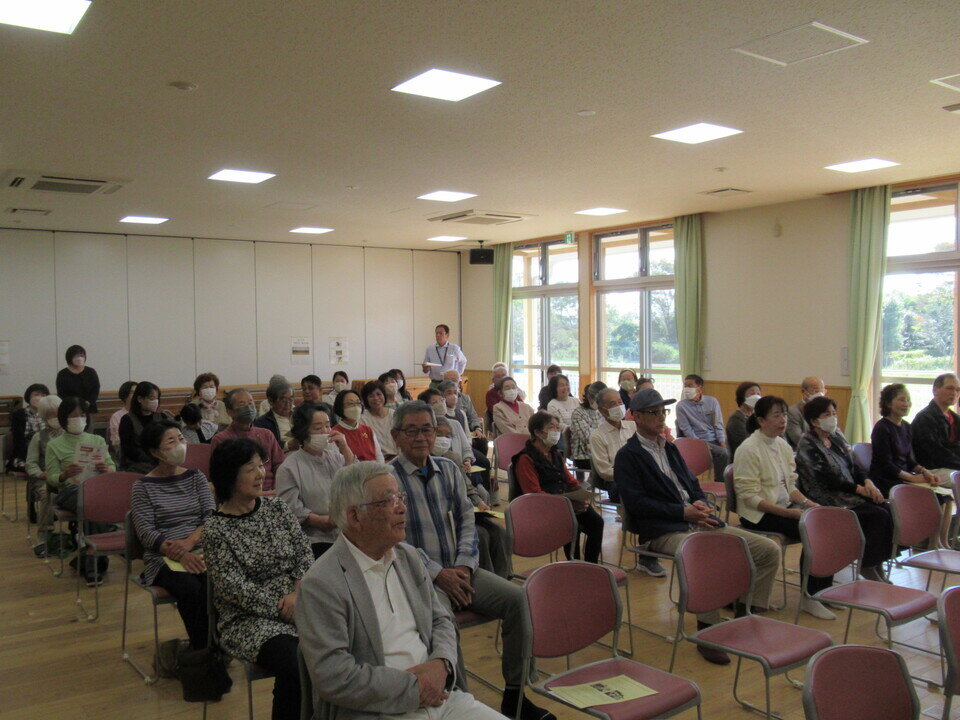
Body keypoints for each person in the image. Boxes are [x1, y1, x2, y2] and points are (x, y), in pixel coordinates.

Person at [296, 461, 508, 720]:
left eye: (400, 497)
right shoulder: (322, 583)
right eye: (388, 501)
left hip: (440, 697)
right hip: (378, 709)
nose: (402, 508)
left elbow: (441, 619)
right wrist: (416, 687)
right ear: (355, 516)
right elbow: (335, 676)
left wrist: (441, 664)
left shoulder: (408, 557)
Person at [388, 402, 555, 720]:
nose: (421, 437)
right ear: (396, 436)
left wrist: (464, 566)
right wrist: (439, 574)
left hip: (461, 570)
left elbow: (467, 520)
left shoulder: (448, 469)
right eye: (412, 430)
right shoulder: (388, 479)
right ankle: (463, 703)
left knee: (518, 599)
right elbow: (396, 542)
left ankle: (515, 695)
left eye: (427, 429)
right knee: (444, 625)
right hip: (421, 579)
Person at [614, 388, 780, 664]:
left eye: (663, 412)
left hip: (697, 520)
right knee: (704, 554)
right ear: (637, 417)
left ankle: (746, 613)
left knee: (767, 550)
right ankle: (708, 630)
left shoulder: (669, 447)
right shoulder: (628, 455)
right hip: (664, 530)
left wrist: (700, 502)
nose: (661, 417)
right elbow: (636, 504)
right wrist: (682, 512)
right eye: (654, 412)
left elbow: (691, 483)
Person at [205, 438, 313, 720]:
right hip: (249, 621)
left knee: (340, 649)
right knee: (299, 663)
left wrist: (299, 594)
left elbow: (304, 553)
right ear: (229, 476)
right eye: (250, 469)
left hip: (299, 603)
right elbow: (235, 588)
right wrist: (285, 607)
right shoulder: (216, 528)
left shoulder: (277, 508)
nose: (261, 474)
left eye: (261, 466)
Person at [733, 396, 834, 619]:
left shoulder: (782, 445)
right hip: (759, 514)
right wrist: (790, 513)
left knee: (825, 521)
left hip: (785, 507)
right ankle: (810, 596)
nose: (783, 420)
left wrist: (810, 504)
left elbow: (790, 486)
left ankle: (824, 591)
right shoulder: (748, 449)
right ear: (761, 420)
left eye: (785, 414)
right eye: (776, 415)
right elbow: (748, 497)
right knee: (812, 530)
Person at [130, 420, 215, 658]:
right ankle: (204, 654)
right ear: (155, 452)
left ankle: (210, 648)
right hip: (162, 558)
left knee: (217, 582)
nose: (180, 444)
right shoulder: (142, 487)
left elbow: (210, 517)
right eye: (171, 441)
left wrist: (190, 543)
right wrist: (180, 553)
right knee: (191, 589)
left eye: (181, 438)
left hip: (199, 548)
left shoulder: (196, 477)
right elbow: (146, 532)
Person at [795, 396, 894, 583]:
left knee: (886, 508)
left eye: (834, 413)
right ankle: (867, 565)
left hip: (849, 492)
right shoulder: (807, 443)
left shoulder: (836, 437)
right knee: (876, 515)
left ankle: (876, 563)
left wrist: (868, 483)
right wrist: (859, 490)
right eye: (827, 414)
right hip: (828, 497)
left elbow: (855, 465)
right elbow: (828, 479)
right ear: (814, 420)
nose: (833, 418)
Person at [512, 411, 605, 564]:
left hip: (564, 501)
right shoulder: (525, 458)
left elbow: (570, 481)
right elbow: (534, 493)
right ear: (537, 432)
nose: (556, 431)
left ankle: (591, 565)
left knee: (597, 522)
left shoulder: (555, 454)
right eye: (551, 427)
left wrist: (582, 496)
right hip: (543, 505)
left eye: (557, 427)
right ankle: (574, 565)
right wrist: (565, 504)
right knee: (572, 524)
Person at [871, 383, 954, 548]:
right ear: (888, 403)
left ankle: (942, 542)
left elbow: (909, 460)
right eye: (901, 400)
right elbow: (885, 464)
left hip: (904, 477)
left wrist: (925, 472)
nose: (906, 404)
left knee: (947, 498)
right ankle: (932, 544)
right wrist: (912, 478)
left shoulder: (906, 427)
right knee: (935, 498)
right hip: (886, 480)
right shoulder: (882, 428)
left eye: (908, 400)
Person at [45, 396, 115, 585]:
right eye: (73, 415)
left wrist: (107, 469)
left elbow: (112, 466)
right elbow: (51, 478)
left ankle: (88, 556)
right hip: (70, 490)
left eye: (82, 415)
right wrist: (64, 475)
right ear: (63, 418)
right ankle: (95, 558)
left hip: (95, 488)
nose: (79, 419)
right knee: (90, 500)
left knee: (93, 501)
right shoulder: (54, 445)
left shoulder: (97, 439)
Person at [275, 402, 354, 558]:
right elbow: (290, 509)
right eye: (318, 428)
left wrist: (345, 448)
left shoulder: (336, 457)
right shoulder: (289, 467)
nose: (325, 432)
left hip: (346, 532)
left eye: (328, 426)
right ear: (303, 432)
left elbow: (354, 483)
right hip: (313, 540)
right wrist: (319, 520)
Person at [435, 418, 508, 578]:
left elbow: (468, 486)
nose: (443, 440)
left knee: (499, 531)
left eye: (447, 436)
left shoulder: (453, 458)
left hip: (468, 509)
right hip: (449, 515)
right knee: (481, 535)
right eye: (439, 435)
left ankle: (504, 576)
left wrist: (479, 502)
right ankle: (487, 579)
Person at [210, 389, 286, 492]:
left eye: (250, 403)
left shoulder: (267, 434)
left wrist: (276, 488)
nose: (248, 408)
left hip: (271, 492)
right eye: (242, 404)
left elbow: (280, 464)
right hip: (239, 495)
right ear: (230, 412)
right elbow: (220, 476)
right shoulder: (221, 440)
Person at [25, 395, 62, 555]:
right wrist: (41, 474)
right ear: (44, 417)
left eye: (57, 414)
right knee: (48, 494)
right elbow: (30, 464)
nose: (54, 418)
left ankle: (85, 535)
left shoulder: (71, 434)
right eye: (50, 415)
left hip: (68, 478)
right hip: (45, 479)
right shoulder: (38, 437)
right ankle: (44, 538)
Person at [675, 373, 729, 481]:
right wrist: (702, 445)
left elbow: (718, 424)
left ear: (700, 389)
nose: (686, 388)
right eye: (685, 386)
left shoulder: (712, 401)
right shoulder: (681, 406)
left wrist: (722, 442)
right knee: (723, 453)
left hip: (714, 439)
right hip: (697, 441)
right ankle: (720, 483)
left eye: (690, 385)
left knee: (733, 449)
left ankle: (730, 482)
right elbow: (687, 430)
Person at [911, 373, 960, 484]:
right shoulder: (924, 418)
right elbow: (936, 453)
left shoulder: (956, 419)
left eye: (958, 390)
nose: (954, 393)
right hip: (932, 469)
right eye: (950, 388)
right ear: (935, 390)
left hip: (953, 466)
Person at [119, 381, 171, 474]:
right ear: (140, 399)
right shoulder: (127, 420)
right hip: (137, 464)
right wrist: (154, 457)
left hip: (161, 460)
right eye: (152, 398)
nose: (155, 401)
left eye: (157, 398)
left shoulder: (162, 417)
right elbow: (129, 450)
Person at [334, 389, 385, 462]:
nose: (356, 407)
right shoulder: (335, 433)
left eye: (358, 403)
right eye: (351, 403)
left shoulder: (368, 430)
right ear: (340, 407)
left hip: (374, 467)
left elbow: (379, 457)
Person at [8, 383, 49, 472]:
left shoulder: (48, 414)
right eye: (36, 394)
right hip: (25, 452)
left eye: (43, 395)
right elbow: (18, 440)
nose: (40, 397)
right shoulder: (19, 415)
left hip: (46, 451)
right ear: (29, 397)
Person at [569, 381, 605, 470]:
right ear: (589, 397)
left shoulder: (601, 412)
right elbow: (587, 438)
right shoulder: (578, 413)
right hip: (584, 457)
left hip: (601, 453)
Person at [254, 375, 296, 450]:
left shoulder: (300, 415)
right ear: (271, 401)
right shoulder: (262, 423)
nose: (288, 403)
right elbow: (265, 446)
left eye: (290, 399)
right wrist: (286, 445)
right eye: (283, 400)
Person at [55, 344, 100, 414]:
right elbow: (61, 393)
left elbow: (95, 389)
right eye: (76, 356)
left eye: (81, 355)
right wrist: (73, 405)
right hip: (70, 409)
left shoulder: (91, 371)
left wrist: (88, 402)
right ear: (70, 357)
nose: (79, 358)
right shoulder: (62, 374)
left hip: (88, 407)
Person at [786, 377, 827, 449]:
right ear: (803, 391)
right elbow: (798, 438)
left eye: (822, 390)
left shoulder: (827, 411)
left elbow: (834, 433)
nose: (819, 393)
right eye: (815, 390)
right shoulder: (793, 411)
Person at [360, 380, 397, 459]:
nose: (376, 398)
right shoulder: (362, 419)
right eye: (371, 396)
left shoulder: (394, 415)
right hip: (376, 460)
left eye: (379, 394)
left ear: (384, 395)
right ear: (366, 399)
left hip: (398, 457)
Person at [726, 381, 762, 459]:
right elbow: (744, 444)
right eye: (752, 394)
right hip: (744, 458)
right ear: (742, 397)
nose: (756, 397)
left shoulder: (758, 417)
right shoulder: (736, 418)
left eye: (758, 394)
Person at [545, 373, 579, 452]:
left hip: (578, 436)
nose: (565, 387)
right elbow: (559, 425)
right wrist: (577, 429)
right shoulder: (552, 404)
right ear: (554, 388)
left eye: (567, 384)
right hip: (563, 438)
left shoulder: (576, 401)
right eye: (561, 385)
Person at [108, 381, 138, 455]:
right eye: (133, 392)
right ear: (125, 396)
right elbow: (116, 442)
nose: (137, 395)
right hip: (127, 453)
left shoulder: (146, 413)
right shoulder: (117, 416)